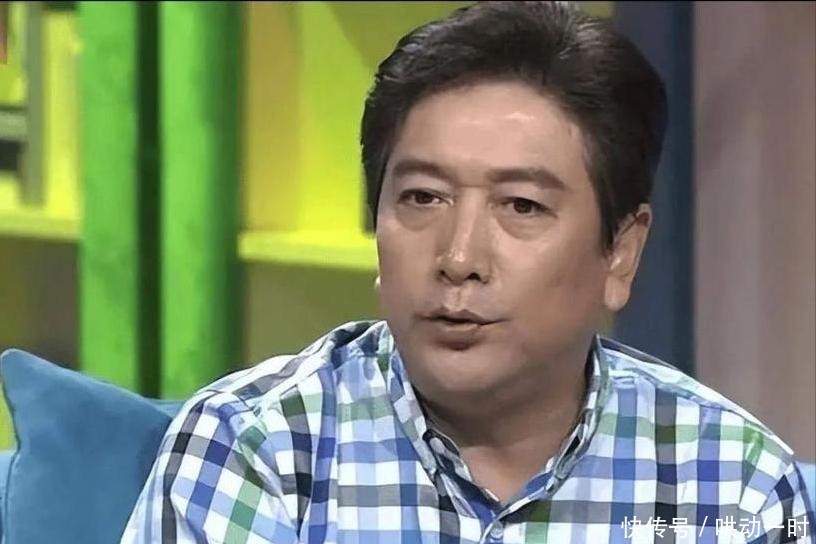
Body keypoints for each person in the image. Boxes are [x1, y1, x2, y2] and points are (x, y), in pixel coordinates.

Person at [122, 2, 815, 542]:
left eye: (521, 206)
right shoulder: (256, 452)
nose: (458, 259)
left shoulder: (732, 489)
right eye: (423, 198)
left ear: (621, 253)